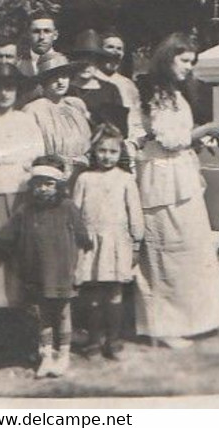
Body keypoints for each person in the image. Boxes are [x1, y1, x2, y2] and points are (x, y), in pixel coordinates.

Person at [134, 32, 219, 347]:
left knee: (190, 250)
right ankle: (163, 327)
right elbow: (168, 138)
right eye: (184, 60)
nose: (189, 67)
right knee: (165, 252)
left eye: (192, 62)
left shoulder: (175, 92)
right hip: (161, 181)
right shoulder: (152, 93)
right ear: (168, 58)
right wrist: (204, 129)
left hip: (181, 177)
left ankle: (190, 319)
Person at [0, 155, 92, 378]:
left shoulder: (67, 207)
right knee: (43, 316)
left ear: (59, 185)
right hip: (38, 274)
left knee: (63, 314)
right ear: (32, 185)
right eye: (38, 184)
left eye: (49, 184)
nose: (43, 189)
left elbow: (83, 240)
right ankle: (46, 356)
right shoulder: (26, 210)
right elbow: (6, 235)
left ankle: (63, 355)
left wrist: (80, 269)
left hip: (63, 273)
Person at [73, 124, 145, 359]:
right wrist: (76, 241)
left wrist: (136, 243)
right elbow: (75, 213)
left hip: (117, 243)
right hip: (90, 244)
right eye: (102, 150)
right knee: (92, 293)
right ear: (94, 151)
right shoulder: (84, 178)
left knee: (115, 292)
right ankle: (93, 341)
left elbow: (135, 213)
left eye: (113, 152)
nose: (107, 156)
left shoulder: (126, 179)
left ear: (120, 153)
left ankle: (113, 341)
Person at [0, 66, 44, 312]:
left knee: (20, 251)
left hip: (20, 195)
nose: (4, 93)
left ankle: (18, 307)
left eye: (10, 87)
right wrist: (6, 156)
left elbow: (36, 157)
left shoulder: (26, 121)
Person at [23, 52, 92, 182]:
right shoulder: (34, 110)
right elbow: (30, 153)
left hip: (81, 175)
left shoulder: (75, 107)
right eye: (54, 77)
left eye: (64, 76)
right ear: (44, 81)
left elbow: (87, 146)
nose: (60, 82)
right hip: (50, 177)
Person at [69, 30, 128, 136]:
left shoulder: (110, 90)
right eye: (81, 61)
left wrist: (90, 118)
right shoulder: (65, 88)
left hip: (100, 148)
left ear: (98, 63)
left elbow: (120, 129)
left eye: (92, 61)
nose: (86, 66)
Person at [97, 30, 144, 159]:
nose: (115, 52)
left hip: (124, 150)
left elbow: (136, 120)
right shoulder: (91, 81)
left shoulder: (127, 85)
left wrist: (133, 144)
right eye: (110, 47)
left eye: (119, 49)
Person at [19, 13, 59, 78]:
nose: (41, 37)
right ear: (28, 35)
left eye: (47, 31)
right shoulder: (18, 65)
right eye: (36, 31)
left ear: (55, 35)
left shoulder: (66, 63)